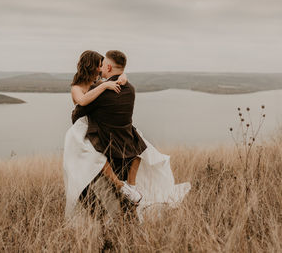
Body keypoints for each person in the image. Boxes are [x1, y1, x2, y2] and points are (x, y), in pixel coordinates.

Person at [63, 50, 191, 222]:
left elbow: (116, 75)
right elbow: (83, 102)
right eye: (99, 65)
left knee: (138, 145)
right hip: (85, 129)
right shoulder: (79, 87)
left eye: (103, 65)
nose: (101, 69)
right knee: (92, 159)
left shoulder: (101, 82)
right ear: (91, 66)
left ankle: (128, 187)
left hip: (99, 128)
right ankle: (121, 191)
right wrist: (105, 85)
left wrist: (122, 76)